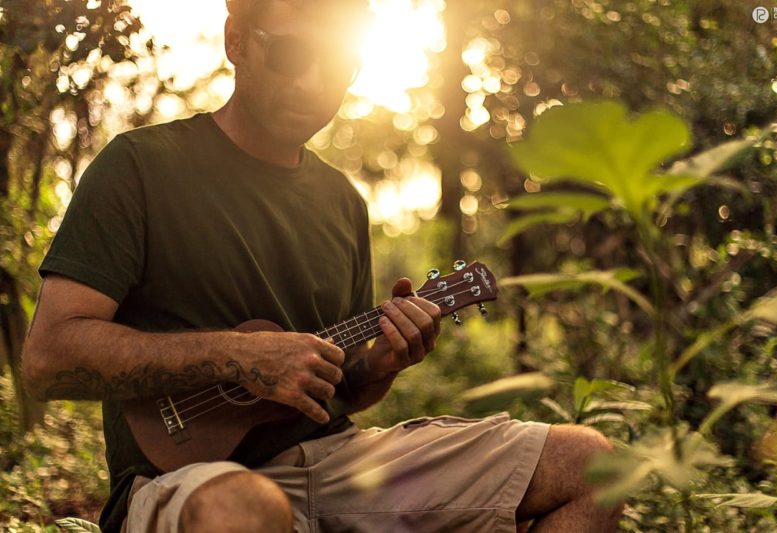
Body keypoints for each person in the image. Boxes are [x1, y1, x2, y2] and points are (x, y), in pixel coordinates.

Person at [21, 0, 624, 531]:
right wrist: (241, 358)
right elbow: (48, 361)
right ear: (237, 42)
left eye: (336, 64)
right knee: (245, 511)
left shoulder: (341, 203)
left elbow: (342, 391)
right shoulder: (140, 169)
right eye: (291, 54)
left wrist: (381, 363)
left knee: (591, 466)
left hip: (333, 467)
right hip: (185, 482)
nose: (313, 82)